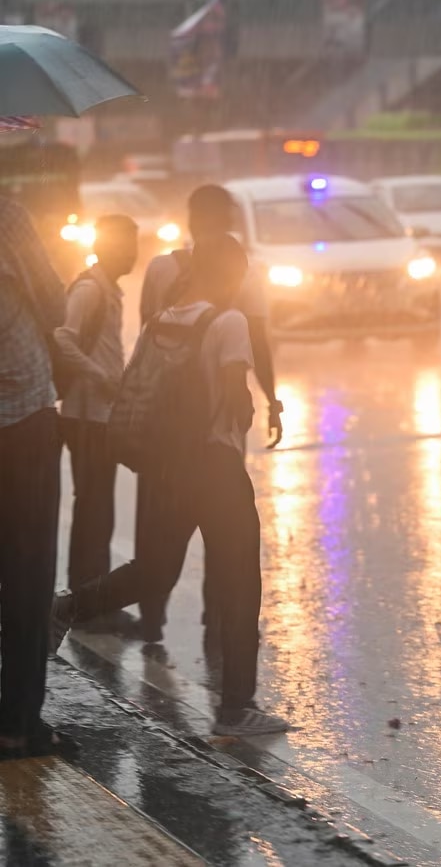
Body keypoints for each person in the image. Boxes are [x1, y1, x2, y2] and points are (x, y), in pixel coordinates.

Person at [52, 233, 290, 737]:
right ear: (228, 275)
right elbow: (234, 399)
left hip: (167, 467)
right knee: (240, 582)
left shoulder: (162, 320)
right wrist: (245, 409)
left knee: (155, 570)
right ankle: (236, 709)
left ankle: (67, 607)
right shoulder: (229, 322)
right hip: (216, 468)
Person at [132, 184, 282, 642]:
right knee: (229, 536)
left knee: (158, 527)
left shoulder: (160, 268)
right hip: (216, 437)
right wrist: (269, 400)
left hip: (164, 428)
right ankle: (218, 622)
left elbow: (147, 337)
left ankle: (150, 615)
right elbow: (257, 342)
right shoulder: (244, 275)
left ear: (193, 220)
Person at [0, 193, 75, 757]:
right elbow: (53, 300)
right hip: (19, 415)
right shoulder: (8, 213)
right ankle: (17, 722)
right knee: (26, 577)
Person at [55, 215, 138, 593]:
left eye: (134, 246)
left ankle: (91, 597)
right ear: (105, 248)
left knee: (100, 509)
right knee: (92, 507)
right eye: (125, 246)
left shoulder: (110, 291)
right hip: (85, 416)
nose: (132, 254)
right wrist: (101, 375)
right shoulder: (89, 290)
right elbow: (63, 339)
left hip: (101, 416)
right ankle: (83, 597)